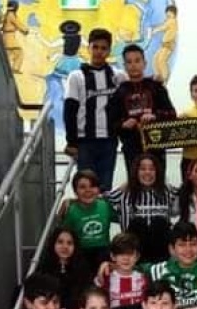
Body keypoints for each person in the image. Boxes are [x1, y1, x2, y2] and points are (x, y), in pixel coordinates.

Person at [64, 28, 124, 190]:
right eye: (95, 47)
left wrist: (156, 78)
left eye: (103, 48)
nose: (99, 51)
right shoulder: (76, 76)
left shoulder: (118, 76)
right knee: (86, 187)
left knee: (105, 188)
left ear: (109, 51)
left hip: (109, 141)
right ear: (88, 48)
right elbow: (70, 110)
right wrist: (71, 142)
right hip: (85, 142)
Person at [108, 44, 176, 173]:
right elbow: (111, 123)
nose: (133, 65)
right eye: (129, 62)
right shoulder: (120, 92)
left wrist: (155, 116)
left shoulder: (156, 87)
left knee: (158, 182)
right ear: (124, 66)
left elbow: (172, 114)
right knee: (134, 183)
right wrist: (123, 124)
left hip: (156, 146)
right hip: (131, 148)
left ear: (144, 64)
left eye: (137, 61)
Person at [107, 153, 178, 263]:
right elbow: (98, 198)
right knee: (138, 223)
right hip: (132, 249)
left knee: (159, 223)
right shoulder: (124, 191)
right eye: (143, 169)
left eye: (151, 169)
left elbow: (186, 193)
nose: (147, 172)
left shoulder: (167, 191)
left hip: (160, 249)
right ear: (136, 171)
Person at [61, 170, 114, 269]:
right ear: (75, 191)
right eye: (82, 187)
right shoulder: (71, 210)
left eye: (92, 186)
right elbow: (63, 235)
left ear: (98, 189)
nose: (88, 190)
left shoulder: (105, 205)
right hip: (81, 253)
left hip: (103, 252)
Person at [36, 226, 92, 309]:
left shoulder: (83, 268)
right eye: (60, 242)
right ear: (53, 244)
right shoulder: (43, 267)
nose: (65, 246)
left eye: (69, 243)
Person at [95, 232, 148, 309]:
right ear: (113, 256)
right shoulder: (105, 277)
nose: (126, 258)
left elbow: (146, 305)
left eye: (130, 254)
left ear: (137, 256)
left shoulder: (143, 278)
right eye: (121, 254)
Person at [148, 5, 179, 83]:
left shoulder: (172, 21)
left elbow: (163, 27)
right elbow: (163, 26)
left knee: (161, 60)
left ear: (173, 13)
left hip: (168, 44)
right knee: (155, 59)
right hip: (164, 44)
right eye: (167, 13)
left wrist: (154, 30)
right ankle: (158, 76)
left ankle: (165, 78)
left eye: (169, 13)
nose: (167, 14)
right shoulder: (169, 20)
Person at [0, 1, 28, 74]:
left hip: (5, 36)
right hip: (9, 37)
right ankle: (15, 68)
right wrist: (25, 30)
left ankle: (5, 68)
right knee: (19, 52)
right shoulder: (11, 15)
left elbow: (0, 21)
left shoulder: (6, 14)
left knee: (8, 53)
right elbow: (18, 24)